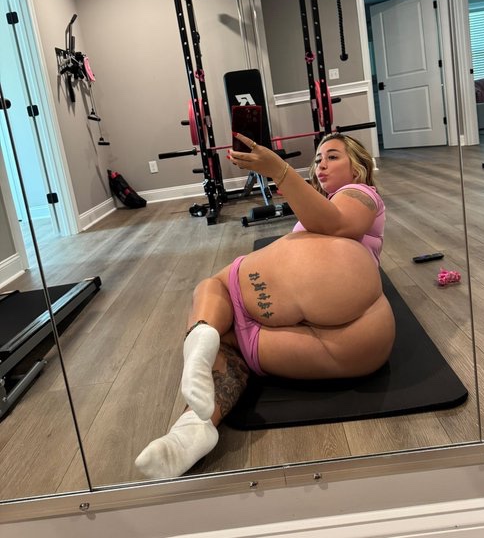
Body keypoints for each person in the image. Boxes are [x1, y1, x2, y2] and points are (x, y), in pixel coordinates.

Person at [135, 131, 395, 479]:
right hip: (359, 345)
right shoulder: (324, 204)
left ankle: (200, 334)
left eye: (333, 156)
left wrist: (279, 170)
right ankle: (192, 429)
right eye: (318, 159)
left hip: (340, 285)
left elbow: (338, 223)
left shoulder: (360, 192)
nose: (321, 164)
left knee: (213, 287)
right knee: (232, 349)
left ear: (359, 167)